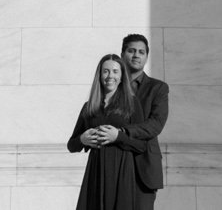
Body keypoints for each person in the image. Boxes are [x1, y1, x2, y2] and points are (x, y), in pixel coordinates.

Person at [67, 53, 153, 209]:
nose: (110, 76)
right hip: (96, 171)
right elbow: (71, 145)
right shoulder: (89, 107)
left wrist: (118, 136)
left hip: (121, 171)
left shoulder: (131, 104)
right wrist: (82, 140)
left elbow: (142, 146)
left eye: (115, 71)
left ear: (121, 76)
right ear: (99, 75)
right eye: (105, 71)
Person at [119, 33, 168, 194]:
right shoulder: (112, 86)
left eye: (141, 52)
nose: (136, 55)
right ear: (122, 54)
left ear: (146, 57)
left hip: (145, 166)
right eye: (131, 51)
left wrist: (124, 132)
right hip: (115, 161)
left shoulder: (158, 88)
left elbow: (156, 124)